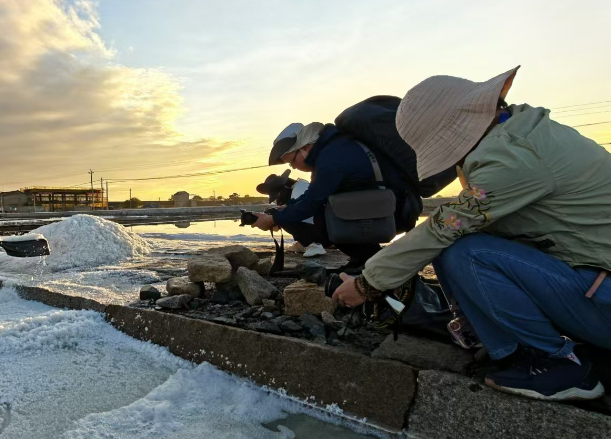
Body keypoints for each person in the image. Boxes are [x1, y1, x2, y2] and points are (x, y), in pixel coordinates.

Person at [333, 67, 611, 401]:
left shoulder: (514, 159)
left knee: (464, 251)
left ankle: (561, 363)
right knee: (459, 244)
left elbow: (444, 228)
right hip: (589, 279)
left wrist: (367, 284)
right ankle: (506, 348)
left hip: (603, 298)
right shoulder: (521, 131)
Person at [252, 100, 424, 268]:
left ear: (304, 147)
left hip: (396, 210)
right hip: (386, 206)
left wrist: (273, 219)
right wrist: (285, 209)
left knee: (326, 219)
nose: (294, 167)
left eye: (292, 161)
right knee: (329, 212)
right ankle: (366, 261)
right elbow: (313, 193)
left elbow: (312, 202)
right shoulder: (331, 148)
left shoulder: (331, 158)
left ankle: (371, 262)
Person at [255, 170, 325, 257]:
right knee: (278, 213)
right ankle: (304, 243)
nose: (278, 199)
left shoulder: (300, 188)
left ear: (284, 188)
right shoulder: (297, 187)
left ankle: (313, 244)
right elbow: (297, 204)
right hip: (321, 229)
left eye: (278, 195)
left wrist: (273, 218)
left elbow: (302, 212)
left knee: (282, 215)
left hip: (321, 232)